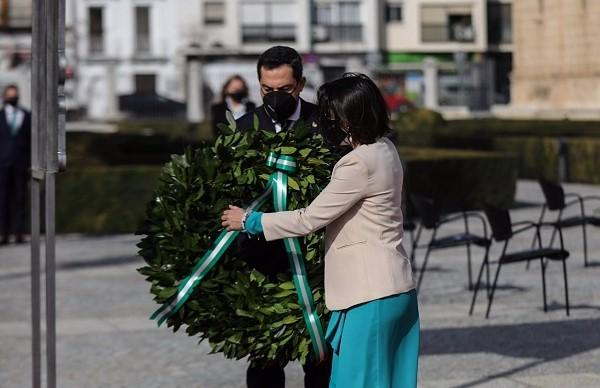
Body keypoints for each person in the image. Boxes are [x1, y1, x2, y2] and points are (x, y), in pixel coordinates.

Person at [222, 73, 420, 388]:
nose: (326, 123)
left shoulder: (357, 163)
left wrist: (250, 220)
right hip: (395, 288)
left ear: (351, 118)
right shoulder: (385, 149)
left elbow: (309, 219)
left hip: (368, 295)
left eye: (331, 116)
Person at [235, 46, 331, 388]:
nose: (275, 97)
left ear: (301, 84)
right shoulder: (244, 127)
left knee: (320, 359)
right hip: (264, 262)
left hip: (317, 261)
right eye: (266, 90)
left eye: (285, 90)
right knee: (264, 364)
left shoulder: (327, 124)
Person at [0, 84, 31, 245]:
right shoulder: (0, 116)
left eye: (15, 95)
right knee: (3, 199)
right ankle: (3, 233)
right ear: (4, 97)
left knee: (20, 199)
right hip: (2, 164)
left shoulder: (26, 115)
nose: (12, 98)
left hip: (20, 163)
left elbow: (30, 140)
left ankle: (19, 232)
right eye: (10, 95)